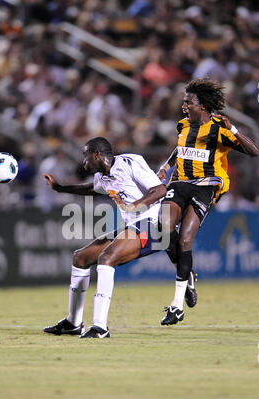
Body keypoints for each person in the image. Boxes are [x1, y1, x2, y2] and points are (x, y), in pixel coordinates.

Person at [156, 78, 259, 326]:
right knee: (163, 230)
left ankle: (177, 306)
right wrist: (166, 166)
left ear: (202, 106)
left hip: (206, 186)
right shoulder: (182, 126)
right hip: (179, 182)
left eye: (188, 102)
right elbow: (180, 149)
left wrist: (233, 130)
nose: (183, 106)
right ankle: (188, 275)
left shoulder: (219, 129)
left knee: (185, 240)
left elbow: (254, 151)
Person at [43, 137, 167, 338]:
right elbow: (92, 189)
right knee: (81, 258)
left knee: (106, 258)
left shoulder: (130, 162)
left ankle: (100, 327)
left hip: (154, 224)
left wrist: (136, 206)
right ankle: (73, 323)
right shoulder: (102, 177)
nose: (83, 162)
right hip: (132, 226)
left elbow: (160, 189)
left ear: (97, 155)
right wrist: (60, 188)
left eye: (85, 156)